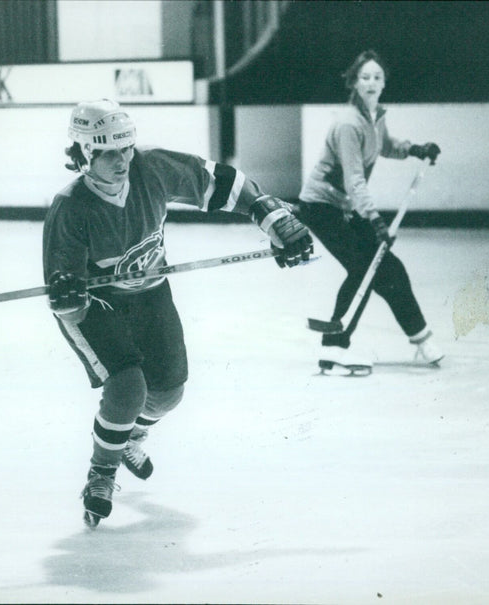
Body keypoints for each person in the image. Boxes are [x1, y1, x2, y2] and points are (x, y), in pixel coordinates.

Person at [42, 99, 313, 527]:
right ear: (83, 155)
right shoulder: (70, 206)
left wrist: (272, 215)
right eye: (108, 152)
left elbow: (220, 182)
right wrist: (68, 296)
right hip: (100, 307)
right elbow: (66, 299)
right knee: (128, 387)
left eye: (126, 147)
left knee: (168, 393)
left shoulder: (151, 168)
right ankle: (102, 471)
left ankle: (129, 434)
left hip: (151, 294)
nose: (122, 160)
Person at [297, 49, 444, 376]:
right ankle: (334, 349)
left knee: (389, 267)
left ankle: (419, 336)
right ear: (354, 82)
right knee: (363, 270)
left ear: (384, 82)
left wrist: (414, 149)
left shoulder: (374, 116)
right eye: (365, 77)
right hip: (322, 207)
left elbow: (385, 145)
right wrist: (375, 220)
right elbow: (354, 179)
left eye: (377, 77)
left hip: (346, 207)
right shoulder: (348, 124)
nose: (372, 82)